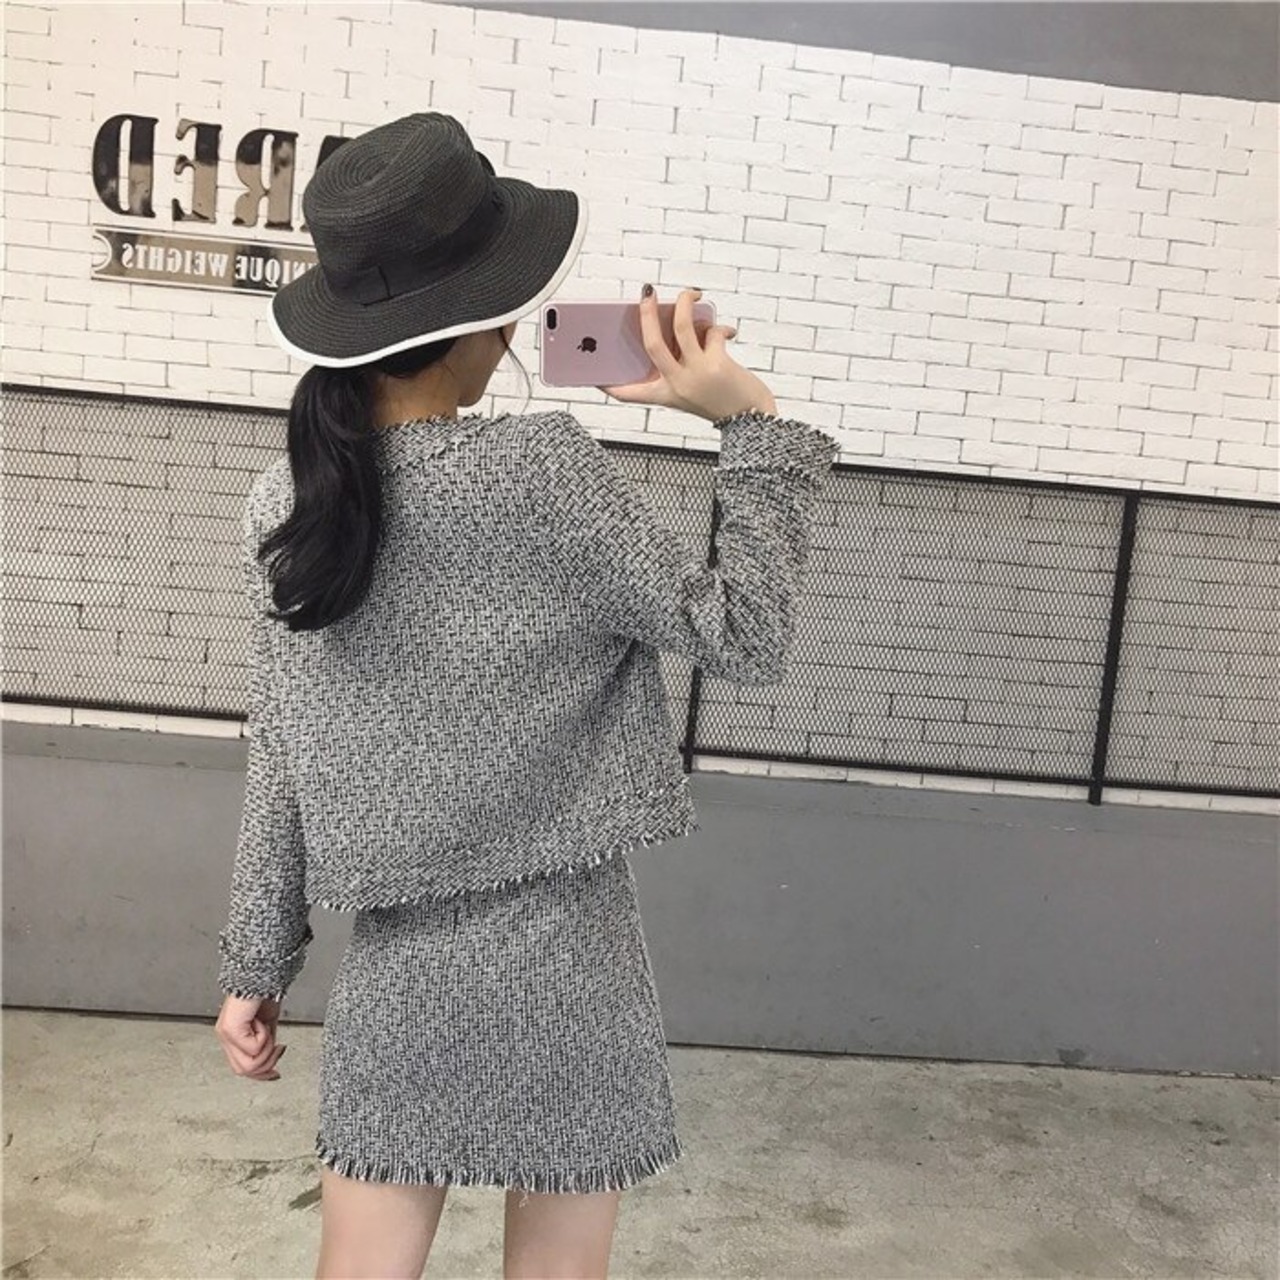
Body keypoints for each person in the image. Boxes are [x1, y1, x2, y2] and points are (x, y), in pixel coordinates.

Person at [212, 112, 838, 1280]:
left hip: (398, 967)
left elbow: (279, 751)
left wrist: (256, 961)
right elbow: (743, 634)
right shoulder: (544, 475)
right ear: (483, 319)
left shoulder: (286, 504)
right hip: (568, 957)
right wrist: (747, 424)